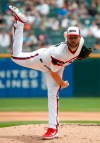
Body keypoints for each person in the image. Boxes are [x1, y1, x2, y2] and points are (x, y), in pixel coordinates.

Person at [9, 5, 93, 140]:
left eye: (75, 37)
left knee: (53, 95)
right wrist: (63, 83)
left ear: (79, 37)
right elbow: (54, 74)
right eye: (71, 37)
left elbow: (67, 36)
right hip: (41, 59)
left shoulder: (81, 42)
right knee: (15, 57)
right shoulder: (60, 53)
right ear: (67, 38)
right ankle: (20, 23)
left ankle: (53, 128)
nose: (73, 39)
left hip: (55, 67)